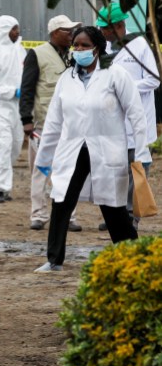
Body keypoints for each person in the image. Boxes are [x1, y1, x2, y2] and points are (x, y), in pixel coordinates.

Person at [34, 26, 144, 273]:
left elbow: (136, 113)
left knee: (113, 205)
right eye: (76, 45)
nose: (79, 50)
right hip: (73, 148)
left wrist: (141, 150)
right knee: (61, 200)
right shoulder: (67, 78)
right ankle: (54, 260)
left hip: (106, 148)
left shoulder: (115, 74)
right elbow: (53, 120)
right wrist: (44, 157)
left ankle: (133, 256)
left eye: (85, 45)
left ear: (97, 47)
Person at [97, 3, 160, 230]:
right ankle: (116, 215)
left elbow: (154, 80)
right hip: (113, 122)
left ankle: (132, 216)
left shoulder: (139, 45)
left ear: (119, 26)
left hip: (138, 122)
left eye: (106, 28)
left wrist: (126, 87)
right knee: (116, 172)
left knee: (137, 172)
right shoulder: (104, 47)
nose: (103, 32)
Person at [19, 15, 83, 232]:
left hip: (70, 124)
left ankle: (69, 216)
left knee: (68, 170)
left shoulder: (75, 56)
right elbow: (27, 88)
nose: (72, 34)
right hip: (42, 124)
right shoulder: (36, 54)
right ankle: (38, 214)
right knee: (40, 170)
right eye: (67, 31)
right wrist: (26, 120)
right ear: (55, 32)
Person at [0, 16, 26, 202]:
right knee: (4, 143)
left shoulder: (21, 51)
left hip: (18, 106)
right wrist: (12, 91)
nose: (17, 32)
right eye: (14, 29)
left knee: (16, 145)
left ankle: (4, 184)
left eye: (17, 28)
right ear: (4, 30)